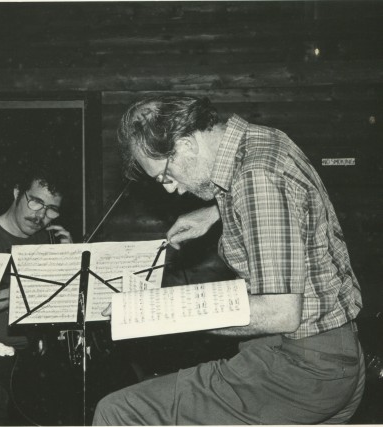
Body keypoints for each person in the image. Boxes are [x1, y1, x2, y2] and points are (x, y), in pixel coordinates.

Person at [93, 96, 365, 425]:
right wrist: (215, 211)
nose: (170, 189)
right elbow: (279, 194)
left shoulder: (256, 178)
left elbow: (281, 313)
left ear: (186, 144)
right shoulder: (258, 141)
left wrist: (159, 311)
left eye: (165, 175)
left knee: (118, 411)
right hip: (335, 354)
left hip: (303, 369)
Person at [0, 160, 73, 426]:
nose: (40, 215)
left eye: (52, 209)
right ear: (17, 193)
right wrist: (22, 291)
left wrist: (69, 259)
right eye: (35, 202)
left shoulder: (47, 239)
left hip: (36, 351)